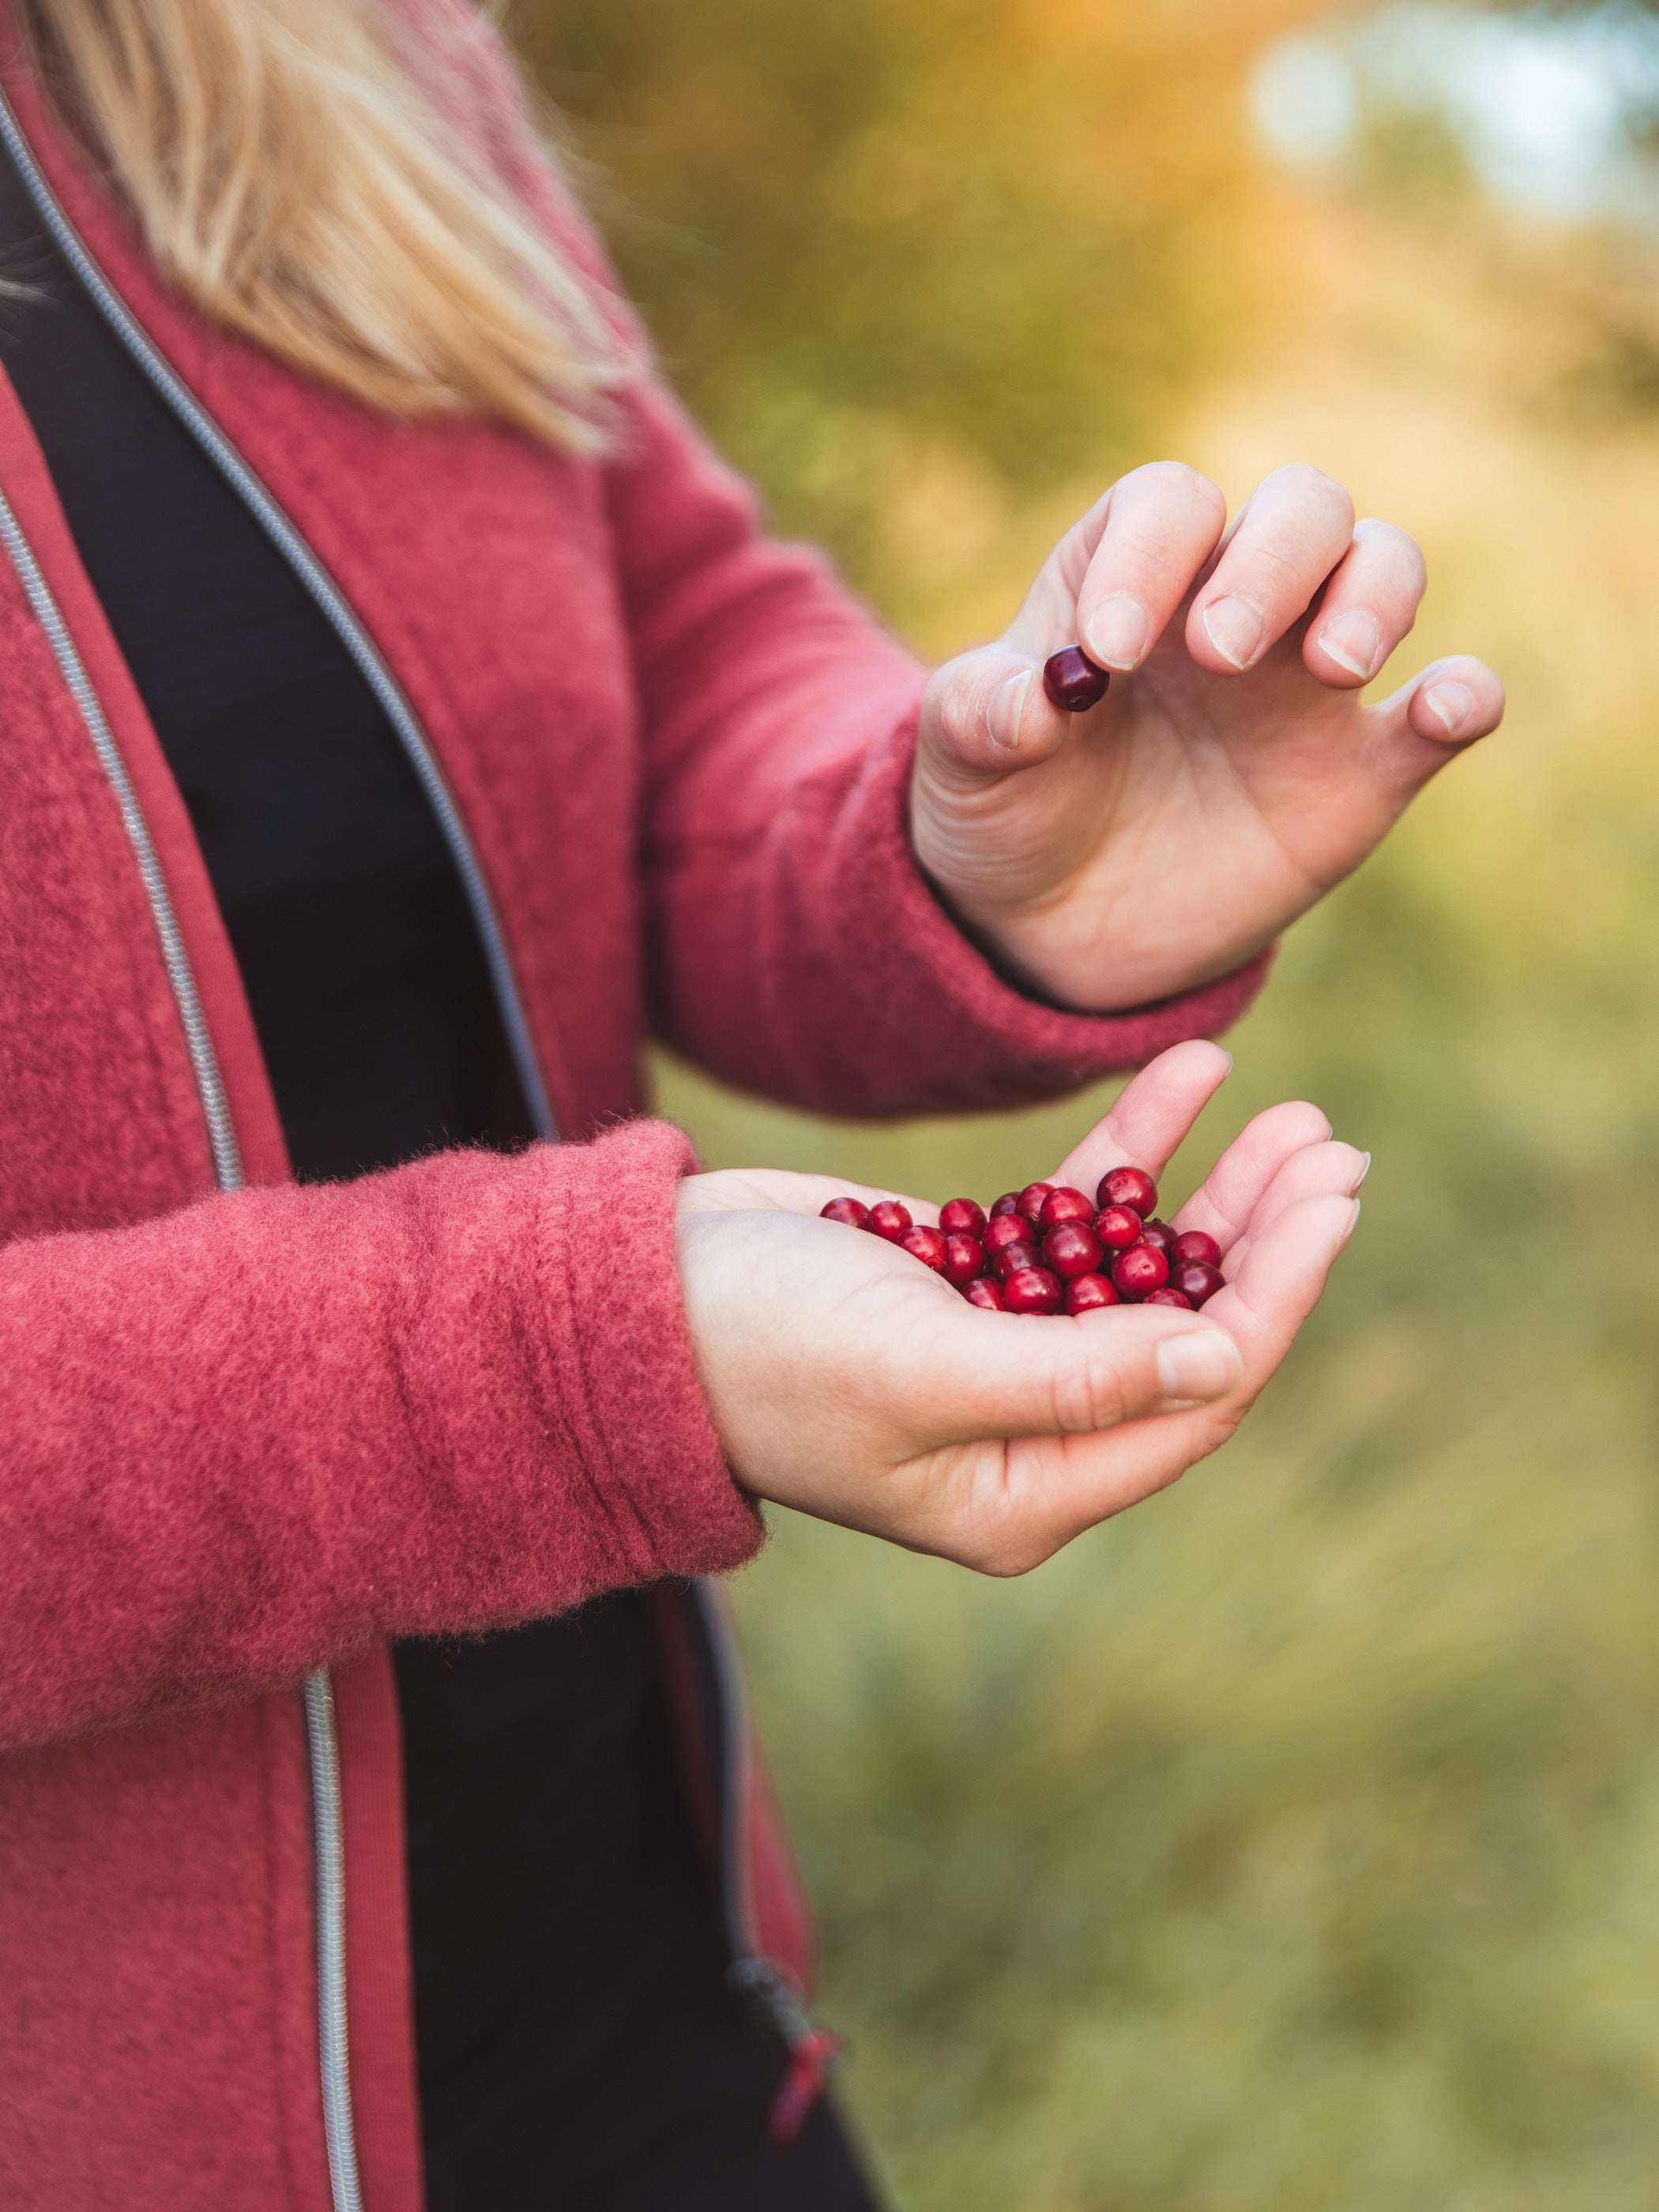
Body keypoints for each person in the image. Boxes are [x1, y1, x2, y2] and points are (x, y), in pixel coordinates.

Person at [0, 0, 1504, 2205]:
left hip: (639, 2001)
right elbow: (558, 1347)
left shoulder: (337, 39)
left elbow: (668, 624)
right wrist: (565, 1359)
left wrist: (950, 857)